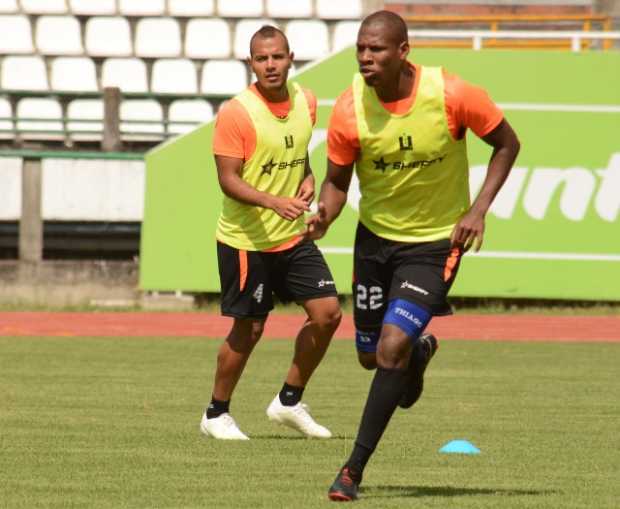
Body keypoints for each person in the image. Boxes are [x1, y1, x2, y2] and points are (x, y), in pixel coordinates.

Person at [305, 10, 520, 501]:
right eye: (360, 48)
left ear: (404, 51)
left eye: (375, 49)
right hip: (375, 241)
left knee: (389, 349)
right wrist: (324, 216)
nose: (365, 58)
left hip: (434, 244)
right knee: (370, 357)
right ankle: (419, 354)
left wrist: (477, 210)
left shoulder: (451, 93)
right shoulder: (347, 109)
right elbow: (338, 183)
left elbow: (507, 143)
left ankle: (351, 472)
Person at [200, 25, 342, 441]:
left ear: (290, 57)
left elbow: (297, 158)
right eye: (261, 59)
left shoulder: (307, 101)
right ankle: (215, 414)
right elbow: (229, 180)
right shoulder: (236, 112)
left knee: (328, 314)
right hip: (246, 239)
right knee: (250, 329)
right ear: (251, 64)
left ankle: (289, 400)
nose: (270, 65)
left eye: (277, 57)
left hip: (292, 236)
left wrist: (309, 179)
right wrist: (273, 201)